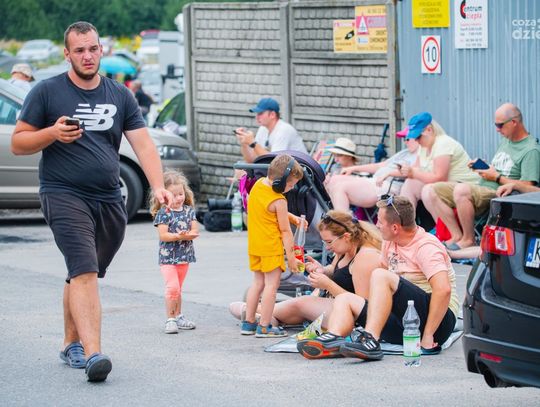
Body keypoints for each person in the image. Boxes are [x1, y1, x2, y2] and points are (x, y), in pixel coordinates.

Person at [10, 21, 172, 382]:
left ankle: (71, 343)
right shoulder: (47, 92)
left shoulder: (120, 95)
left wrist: (158, 186)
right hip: (62, 193)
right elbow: (18, 143)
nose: (87, 56)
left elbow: (143, 144)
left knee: (84, 271)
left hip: (109, 197)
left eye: (93, 48)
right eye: (79, 50)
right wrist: (52, 133)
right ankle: (93, 353)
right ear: (67, 54)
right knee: (84, 270)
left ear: (102, 50)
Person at [297, 196, 459, 360]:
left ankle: (370, 339)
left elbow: (443, 290)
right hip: (406, 322)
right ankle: (334, 340)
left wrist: (429, 335)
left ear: (395, 227)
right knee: (345, 298)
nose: (377, 225)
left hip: (438, 324)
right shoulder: (390, 242)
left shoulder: (426, 247)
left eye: (380, 222)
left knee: (380, 275)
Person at [230, 210, 382, 330]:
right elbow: (339, 271)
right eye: (324, 242)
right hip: (334, 304)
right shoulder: (345, 249)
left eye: (329, 242)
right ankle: (267, 319)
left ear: (346, 236)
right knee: (292, 307)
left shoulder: (365, 257)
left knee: (301, 303)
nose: (327, 247)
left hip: (351, 316)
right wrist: (323, 270)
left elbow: (363, 306)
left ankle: (258, 314)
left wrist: (327, 284)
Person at [423, 103, 540, 250]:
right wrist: (484, 168)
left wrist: (496, 178)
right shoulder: (506, 140)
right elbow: (499, 168)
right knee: (430, 190)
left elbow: (528, 187)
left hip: (498, 192)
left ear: (514, 122)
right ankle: (455, 236)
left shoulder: (531, 150)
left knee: (461, 190)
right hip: (482, 185)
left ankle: (468, 239)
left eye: (500, 125)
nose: (497, 129)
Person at [241, 154, 305, 337]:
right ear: (280, 182)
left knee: (257, 283)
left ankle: (248, 322)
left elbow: (267, 211)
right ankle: (265, 326)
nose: (291, 189)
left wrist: (291, 217)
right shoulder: (279, 200)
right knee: (271, 286)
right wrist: (291, 258)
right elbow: (285, 231)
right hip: (271, 248)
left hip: (255, 246)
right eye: (291, 185)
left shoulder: (258, 185)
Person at [397, 112, 480, 213]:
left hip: (464, 187)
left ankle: (441, 225)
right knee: (411, 183)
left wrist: (413, 173)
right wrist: (392, 172)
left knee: (427, 190)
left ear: (429, 130)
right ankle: (405, 220)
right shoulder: (424, 146)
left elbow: (440, 178)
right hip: (449, 186)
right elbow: (414, 169)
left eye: (418, 136)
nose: (416, 140)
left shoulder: (443, 143)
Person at [150, 171, 199, 334]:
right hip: (168, 258)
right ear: (165, 195)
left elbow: (195, 230)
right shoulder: (164, 212)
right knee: (172, 287)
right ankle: (170, 319)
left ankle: (178, 316)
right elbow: (163, 235)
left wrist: (189, 234)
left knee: (178, 288)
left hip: (184, 257)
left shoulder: (188, 211)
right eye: (174, 195)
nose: (179, 198)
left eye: (181, 194)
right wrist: (179, 236)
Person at [326, 128, 419, 211]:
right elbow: (379, 166)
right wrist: (353, 168)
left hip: (386, 187)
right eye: (404, 139)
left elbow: (412, 171)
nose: (405, 142)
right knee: (333, 179)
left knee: (340, 188)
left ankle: (342, 222)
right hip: (374, 181)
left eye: (407, 139)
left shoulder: (419, 156)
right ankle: (331, 216)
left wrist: (389, 173)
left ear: (418, 138)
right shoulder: (404, 152)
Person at [235, 98, 307, 163]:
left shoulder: (284, 130)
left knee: (242, 170)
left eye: (260, 113)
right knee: (240, 170)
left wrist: (252, 143)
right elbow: (252, 160)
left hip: (300, 170)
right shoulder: (263, 128)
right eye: (257, 114)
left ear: (272, 114)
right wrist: (244, 143)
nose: (256, 117)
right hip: (284, 170)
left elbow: (273, 161)